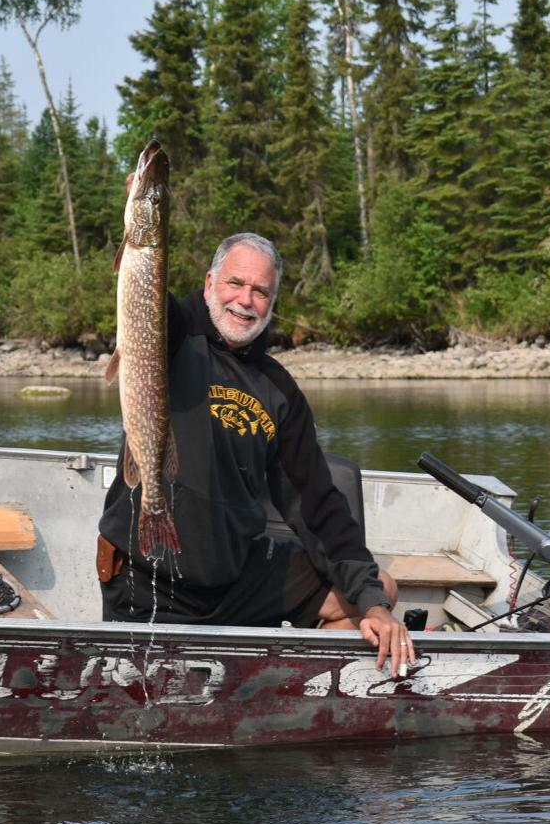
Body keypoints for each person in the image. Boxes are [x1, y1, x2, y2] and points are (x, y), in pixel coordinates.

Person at [98, 232, 412, 674]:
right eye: (234, 283)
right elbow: (146, 295)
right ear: (209, 284)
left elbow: (317, 505)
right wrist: (145, 226)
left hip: (232, 578)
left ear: (272, 301)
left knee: (377, 590)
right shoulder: (172, 335)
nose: (245, 300)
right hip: (150, 579)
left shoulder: (279, 391)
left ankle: (300, 692)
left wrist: (375, 605)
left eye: (260, 291)